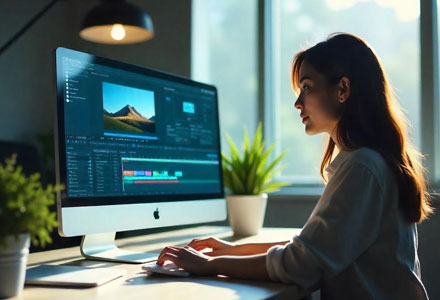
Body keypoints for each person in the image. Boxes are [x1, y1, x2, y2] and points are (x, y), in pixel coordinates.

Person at [157, 33, 433, 299]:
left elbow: (303, 263)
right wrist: (231, 250)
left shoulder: (363, 166)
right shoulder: (367, 160)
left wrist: (210, 266)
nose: (298, 102)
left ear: (343, 90)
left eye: (307, 88)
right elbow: (311, 246)